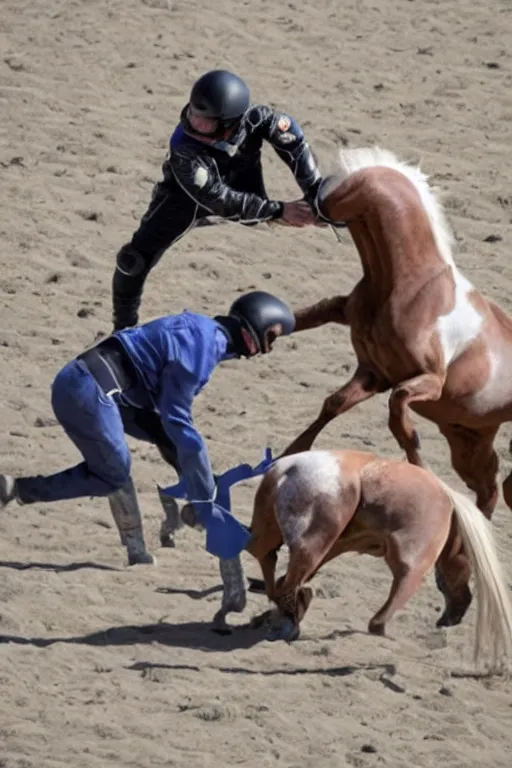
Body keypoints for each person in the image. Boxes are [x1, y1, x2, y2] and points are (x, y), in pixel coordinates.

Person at [0, 291, 295, 578]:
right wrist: (205, 492)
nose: (269, 349)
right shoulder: (201, 348)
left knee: (157, 448)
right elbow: (179, 422)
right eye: (271, 337)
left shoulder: (205, 332)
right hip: (88, 391)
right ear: (254, 327)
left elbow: (170, 430)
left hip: (97, 386)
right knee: (115, 472)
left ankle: (143, 548)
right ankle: (16, 489)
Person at [112, 69, 323, 331]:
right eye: (193, 115)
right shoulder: (184, 149)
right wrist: (278, 210)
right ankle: (122, 329)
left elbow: (291, 139)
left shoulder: (254, 118)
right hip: (187, 198)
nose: (194, 125)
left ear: (230, 122)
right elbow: (220, 200)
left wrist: (314, 190)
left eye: (205, 122)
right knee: (133, 261)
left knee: (320, 200)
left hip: (239, 176)